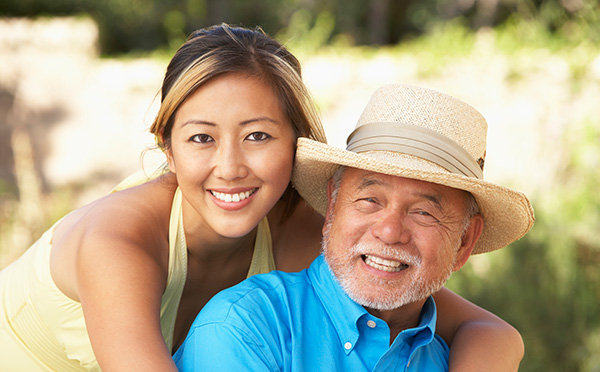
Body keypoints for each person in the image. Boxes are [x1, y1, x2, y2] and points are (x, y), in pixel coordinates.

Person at [0, 23, 522, 372]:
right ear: (167, 147)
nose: (229, 168)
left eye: (258, 137)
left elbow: (488, 331)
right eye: (201, 138)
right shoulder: (118, 241)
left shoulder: (310, 229)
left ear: (296, 145)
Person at [173, 84, 535, 371]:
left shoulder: (456, 360)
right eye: (370, 201)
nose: (390, 231)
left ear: (464, 242)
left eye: (424, 212)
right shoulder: (245, 328)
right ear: (332, 205)